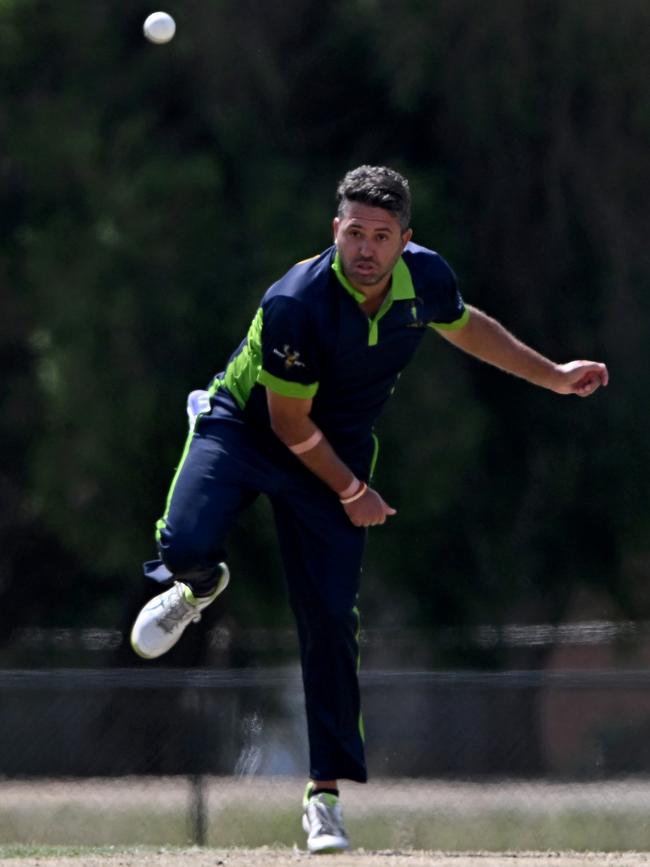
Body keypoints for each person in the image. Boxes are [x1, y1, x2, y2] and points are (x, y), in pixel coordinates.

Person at [130, 165, 608, 853]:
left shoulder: (426, 280)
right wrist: (355, 492)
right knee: (183, 543)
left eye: (381, 236)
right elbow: (290, 426)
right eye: (354, 232)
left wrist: (555, 375)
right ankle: (199, 586)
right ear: (336, 229)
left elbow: (468, 326)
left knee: (328, 616)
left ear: (404, 240)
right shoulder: (296, 301)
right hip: (248, 427)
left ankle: (323, 797)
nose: (365, 248)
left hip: (338, 447)